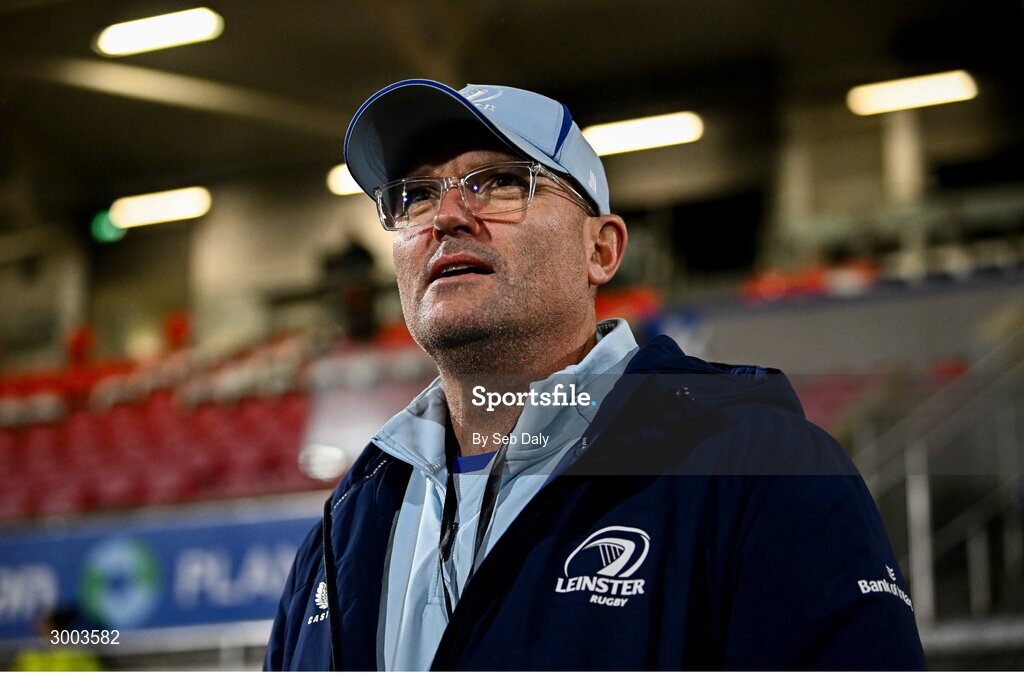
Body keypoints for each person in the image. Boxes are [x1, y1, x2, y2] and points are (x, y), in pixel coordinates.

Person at [265, 80, 926, 670]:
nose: (446, 218)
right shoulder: (344, 530)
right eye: (414, 195)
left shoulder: (760, 468)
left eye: (498, 182)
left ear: (601, 249)